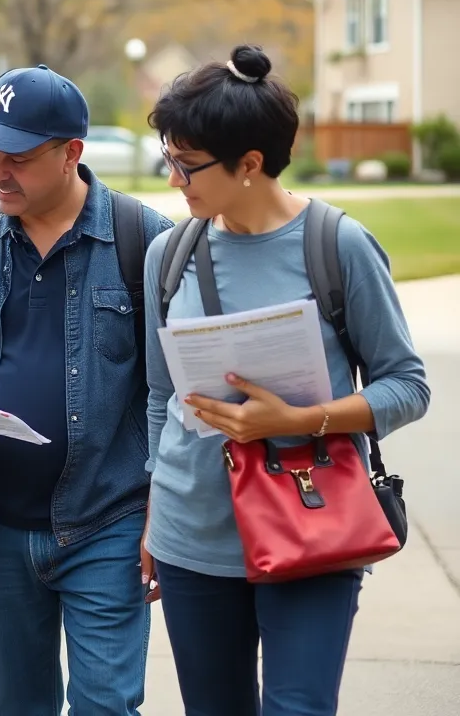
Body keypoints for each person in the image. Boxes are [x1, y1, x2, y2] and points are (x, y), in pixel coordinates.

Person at [142, 44, 431, 715]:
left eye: (188, 164)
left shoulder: (338, 246)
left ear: (249, 163)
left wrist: (296, 421)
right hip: (193, 536)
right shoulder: (169, 254)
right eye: (169, 159)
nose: (174, 180)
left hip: (314, 524)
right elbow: (161, 396)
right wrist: (155, 509)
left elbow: (407, 386)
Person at [0, 64, 172, 715]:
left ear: (71, 153)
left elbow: (175, 396)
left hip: (108, 523)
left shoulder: (145, 241)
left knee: (106, 706)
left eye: (18, 157)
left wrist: (164, 514)